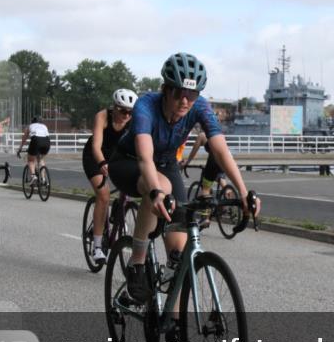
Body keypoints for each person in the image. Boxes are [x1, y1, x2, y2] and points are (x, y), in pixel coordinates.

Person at [109, 52, 259, 303]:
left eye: (193, 94)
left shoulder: (199, 106)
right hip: (129, 161)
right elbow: (145, 157)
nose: (186, 100)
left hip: (166, 163)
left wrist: (244, 192)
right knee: (160, 185)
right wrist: (156, 191)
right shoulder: (146, 105)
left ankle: (173, 330)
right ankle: (136, 264)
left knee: (179, 256)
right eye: (179, 93)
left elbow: (220, 149)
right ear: (166, 89)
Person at [82, 88, 136, 262]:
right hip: (94, 156)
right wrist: (102, 163)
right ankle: (97, 246)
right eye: (123, 111)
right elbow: (96, 146)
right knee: (104, 195)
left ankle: (118, 211)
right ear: (115, 107)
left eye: (130, 112)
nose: (127, 115)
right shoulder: (103, 116)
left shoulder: (133, 120)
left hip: (115, 156)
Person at [17, 116, 51, 183]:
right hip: (47, 141)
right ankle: (43, 179)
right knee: (41, 159)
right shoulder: (44, 126)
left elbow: (24, 138)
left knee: (30, 160)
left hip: (36, 140)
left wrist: (20, 148)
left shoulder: (30, 126)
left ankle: (33, 176)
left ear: (32, 121)